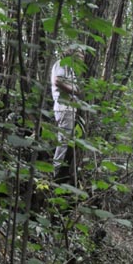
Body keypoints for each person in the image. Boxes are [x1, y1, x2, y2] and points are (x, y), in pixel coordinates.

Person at [51, 44, 82, 185]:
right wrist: (75, 91)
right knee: (63, 142)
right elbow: (57, 81)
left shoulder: (71, 69)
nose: (82, 57)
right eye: (79, 54)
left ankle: (63, 174)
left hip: (69, 109)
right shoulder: (62, 64)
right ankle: (55, 174)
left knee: (67, 142)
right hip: (64, 108)